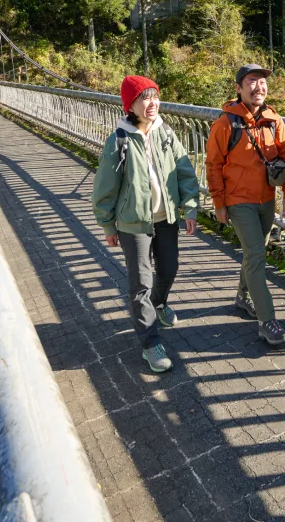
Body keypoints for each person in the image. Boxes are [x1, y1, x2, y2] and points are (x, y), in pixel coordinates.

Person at [92, 75, 200, 373]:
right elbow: (105, 187)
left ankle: (160, 303)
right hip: (133, 223)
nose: (151, 103)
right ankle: (150, 343)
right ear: (131, 105)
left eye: (154, 96)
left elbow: (184, 171)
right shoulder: (119, 140)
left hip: (165, 217)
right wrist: (108, 225)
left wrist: (190, 208)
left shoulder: (165, 132)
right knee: (140, 283)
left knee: (169, 268)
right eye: (144, 98)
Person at [205, 64, 285, 346]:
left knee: (254, 252)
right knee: (256, 256)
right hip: (239, 201)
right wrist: (219, 203)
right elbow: (213, 165)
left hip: (266, 199)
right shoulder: (225, 123)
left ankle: (243, 296)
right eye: (252, 82)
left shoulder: (273, 120)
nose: (259, 87)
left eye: (262, 82)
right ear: (239, 88)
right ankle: (267, 320)